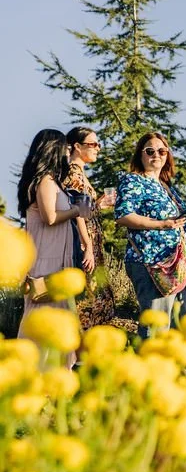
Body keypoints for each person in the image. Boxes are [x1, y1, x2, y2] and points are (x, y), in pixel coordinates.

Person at [17, 129, 93, 350]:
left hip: (57, 259)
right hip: (46, 261)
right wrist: (77, 210)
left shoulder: (53, 181)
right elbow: (49, 217)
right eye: (65, 147)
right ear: (53, 149)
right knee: (43, 314)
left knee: (58, 318)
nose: (68, 151)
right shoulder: (45, 181)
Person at [115, 132, 186, 336]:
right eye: (150, 151)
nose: (156, 155)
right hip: (151, 263)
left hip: (176, 264)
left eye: (162, 151)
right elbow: (123, 215)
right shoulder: (133, 180)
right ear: (140, 155)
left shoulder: (165, 186)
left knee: (178, 328)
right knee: (156, 328)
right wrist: (162, 224)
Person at [64, 126, 116, 328]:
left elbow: (84, 210)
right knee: (89, 300)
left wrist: (98, 205)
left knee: (95, 297)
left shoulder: (80, 174)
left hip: (90, 243)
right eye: (93, 144)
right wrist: (87, 246)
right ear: (77, 146)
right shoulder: (73, 174)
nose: (98, 148)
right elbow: (77, 214)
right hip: (84, 245)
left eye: (98, 144)